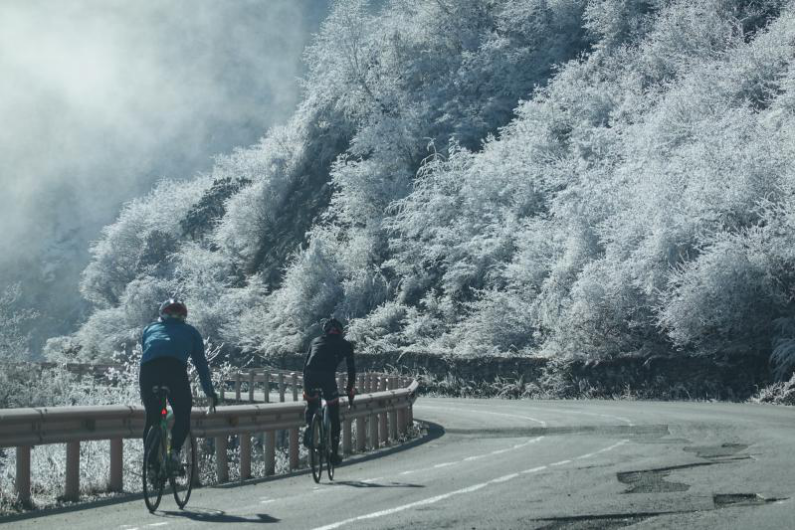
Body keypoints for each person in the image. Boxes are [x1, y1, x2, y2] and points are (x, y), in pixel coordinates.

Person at [140, 299, 218, 469]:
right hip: (174, 370)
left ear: (162, 314)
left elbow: (145, 352)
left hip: (148, 370)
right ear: (184, 316)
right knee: (183, 413)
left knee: (152, 417)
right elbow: (201, 365)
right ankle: (174, 453)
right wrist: (209, 392)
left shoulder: (149, 329)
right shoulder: (191, 332)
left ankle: (150, 464)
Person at [303, 317, 356, 465]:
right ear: (341, 332)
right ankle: (333, 454)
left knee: (311, 403)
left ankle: (308, 428)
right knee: (333, 413)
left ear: (325, 331)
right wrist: (349, 390)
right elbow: (351, 370)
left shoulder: (315, 341)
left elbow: (305, 365)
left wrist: (307, 389)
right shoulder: (346, 345)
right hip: (327, 377)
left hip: (309, 375)